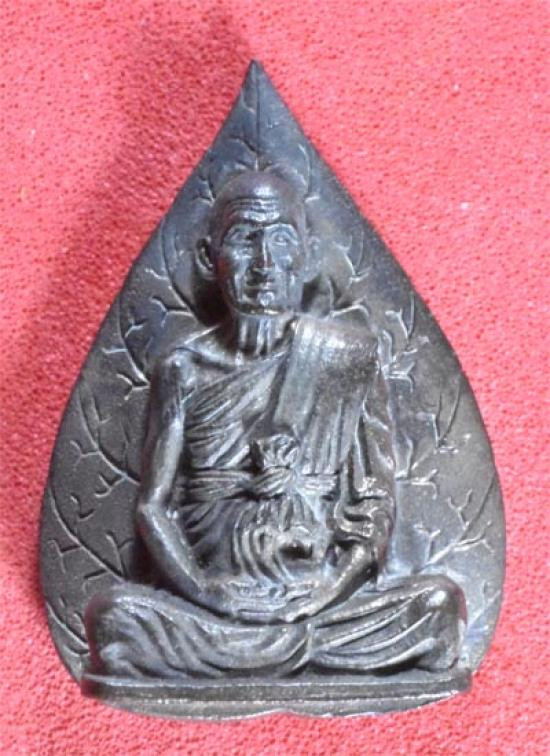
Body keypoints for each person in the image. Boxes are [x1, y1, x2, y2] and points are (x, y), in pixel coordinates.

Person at [85, 172, 465, 680]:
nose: (265, 264)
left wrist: (329, 591)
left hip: (320, 601)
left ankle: (273, 653)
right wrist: (205, 589)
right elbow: (154, 506)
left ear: (307, 256)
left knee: (438, 606)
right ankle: (281, 654)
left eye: (282, 240)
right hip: (214, 606)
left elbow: (375, 503)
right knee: (114, 620)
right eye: (245, 239)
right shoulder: (184, 369)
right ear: (209, 258)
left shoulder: (346, 359)